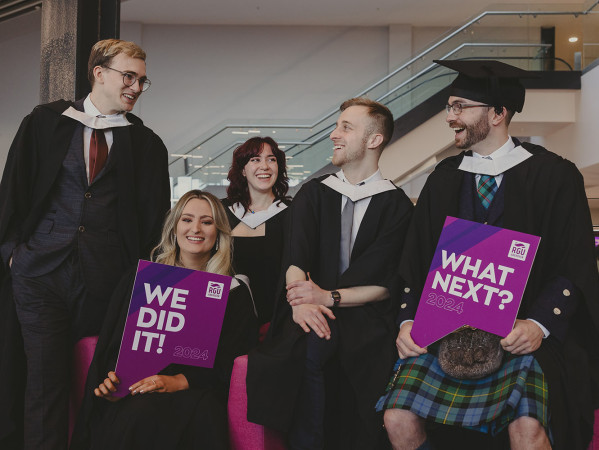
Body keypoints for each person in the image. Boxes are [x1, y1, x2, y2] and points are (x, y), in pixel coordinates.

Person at [379, 60, 599, 450]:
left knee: (527, 429)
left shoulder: (555, 176)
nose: (451, 117)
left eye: (460, 106)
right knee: (397, 416)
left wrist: (540, 324)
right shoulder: (444, 177)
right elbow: (415, 262)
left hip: (521, 335)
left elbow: (573, 263)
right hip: (445, 334)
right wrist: (407, 321)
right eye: (450, 107)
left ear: (497, 114)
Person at [0, 39, 171, 449]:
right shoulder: (45, 122)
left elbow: (154, 224)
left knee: (105, 386)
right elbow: (14, 191)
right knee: (44, 383)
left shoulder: (146, 144)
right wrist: (12, 255)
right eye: (128, 76)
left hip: (109, 284)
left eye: (142, 81)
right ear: (99, 73)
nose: (135, 87)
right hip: (39, 275)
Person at [247, 97, 414, 449]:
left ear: (374, 140)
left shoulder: (397, 205)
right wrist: (300, 302)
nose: (333, 134)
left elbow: (386, 284)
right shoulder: (314, 193)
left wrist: (329, 297)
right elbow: (295, 259)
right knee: (304, 351)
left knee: (365, 364)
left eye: (345, 128)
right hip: (309, 311)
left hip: (366, 318)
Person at [70, 190, 258, 450]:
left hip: (197, 393)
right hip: (138, 390)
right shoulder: (141, 280)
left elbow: (232, 361)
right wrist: (113, 381)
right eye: (187, 219)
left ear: (219, 233)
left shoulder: (233, 291)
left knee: (179, 413)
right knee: (138, 411)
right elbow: (115, 344)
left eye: (207, 221)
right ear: (174, 228)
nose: (196, 229)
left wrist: (178, 381)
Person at [222, 136, 291, 325]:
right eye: (255, 160)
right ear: (243, 170)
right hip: (226, 317)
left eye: (271, 159)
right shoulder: (221, 211)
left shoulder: (294, 214)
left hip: (277, 320)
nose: (265, 166)